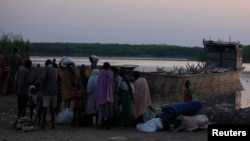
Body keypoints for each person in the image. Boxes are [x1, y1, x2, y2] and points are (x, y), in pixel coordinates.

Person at [95, 62, 114, 129]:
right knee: (108, 112)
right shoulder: (111, 73)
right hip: (110, 95)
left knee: (103, 111)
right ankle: (108, 126)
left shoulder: (102, 73)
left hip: (102, 95)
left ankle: (102, 125)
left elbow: (99, 85)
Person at [41, 59, 58, 129]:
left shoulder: (46, 69)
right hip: (54, 91)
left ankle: (43, 124)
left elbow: (42, 78)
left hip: (47, 91)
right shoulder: (55, 69)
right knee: (53, 109)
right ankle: (53, 124)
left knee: (45, 107)